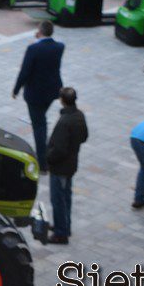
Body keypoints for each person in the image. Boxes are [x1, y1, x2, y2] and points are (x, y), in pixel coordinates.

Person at [12, 21, 65, 171]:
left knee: (39, 125)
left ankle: (43, 162)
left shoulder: (33, 49)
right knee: (41, 120)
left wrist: (16, 90)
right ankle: (46, 152)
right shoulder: (59, 47)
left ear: (39, 31)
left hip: (35, 94)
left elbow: (25, 72)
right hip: (52, 91)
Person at [45, 86, 88, 244]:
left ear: (62, 100)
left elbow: (59, 149)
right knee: (66, 197)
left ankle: (60, 233)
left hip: (60, 167)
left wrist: (48, 158)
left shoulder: (64, 122)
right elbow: (84, 137)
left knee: (58, 199)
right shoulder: (79, 116)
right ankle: (64, 226)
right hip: (71, 164)